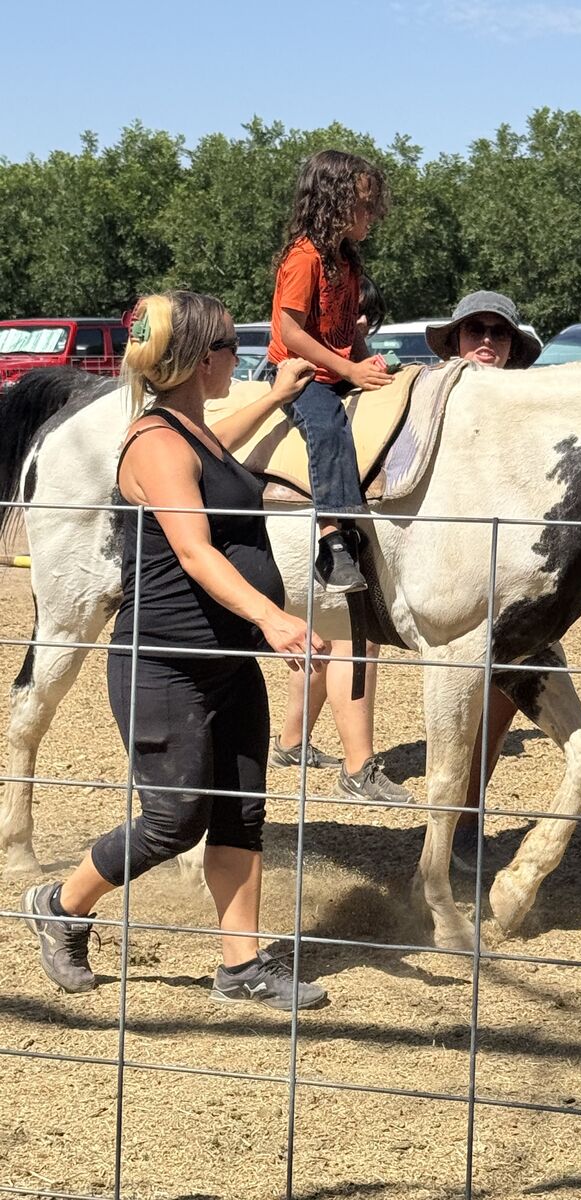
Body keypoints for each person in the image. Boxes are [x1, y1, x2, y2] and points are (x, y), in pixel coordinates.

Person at [22, 290, 330, 1008]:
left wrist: (274, 397)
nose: (237, 358)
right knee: (173, 820)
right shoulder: (156, 444)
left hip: (227, 661)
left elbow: (215, 452)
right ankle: (61, 906)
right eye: (228, 347)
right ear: (198, 359)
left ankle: (241, 967)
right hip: (165, 666)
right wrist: (273, 618)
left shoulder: (192, 432)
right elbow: (194, 552)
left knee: (240, 812)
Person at [269, 274, 412, 803]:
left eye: (365, 315)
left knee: (325, 634)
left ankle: (291, 741)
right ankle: (357, 766)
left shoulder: (357, 347)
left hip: (332, 376)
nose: (360, 322)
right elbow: (295, 333)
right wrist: (349, 364)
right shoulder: (310, 284)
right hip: (311, 381)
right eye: (353, 315)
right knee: (352, 636)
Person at [424, 292, 542, 870]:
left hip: (512, 572)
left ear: (513, 346)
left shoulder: (528, 409)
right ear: (456, 339)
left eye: (499, 332)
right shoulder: (430, 395)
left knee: (500, 703)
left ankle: (467, 819)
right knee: (460, 703)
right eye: (476, 330)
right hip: (441, 574)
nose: (488, 340)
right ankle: (447, 832)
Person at [268, 149, 392, 594]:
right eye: (364, 206)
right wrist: (349, 370)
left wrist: (366, 360)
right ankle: (332, 539)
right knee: (328, 425)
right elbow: (291, 333)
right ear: (334, 202)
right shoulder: (304, 258)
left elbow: (345, 329)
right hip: (298, 372)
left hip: (336, 368)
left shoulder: (348, 261)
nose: (371, 216)